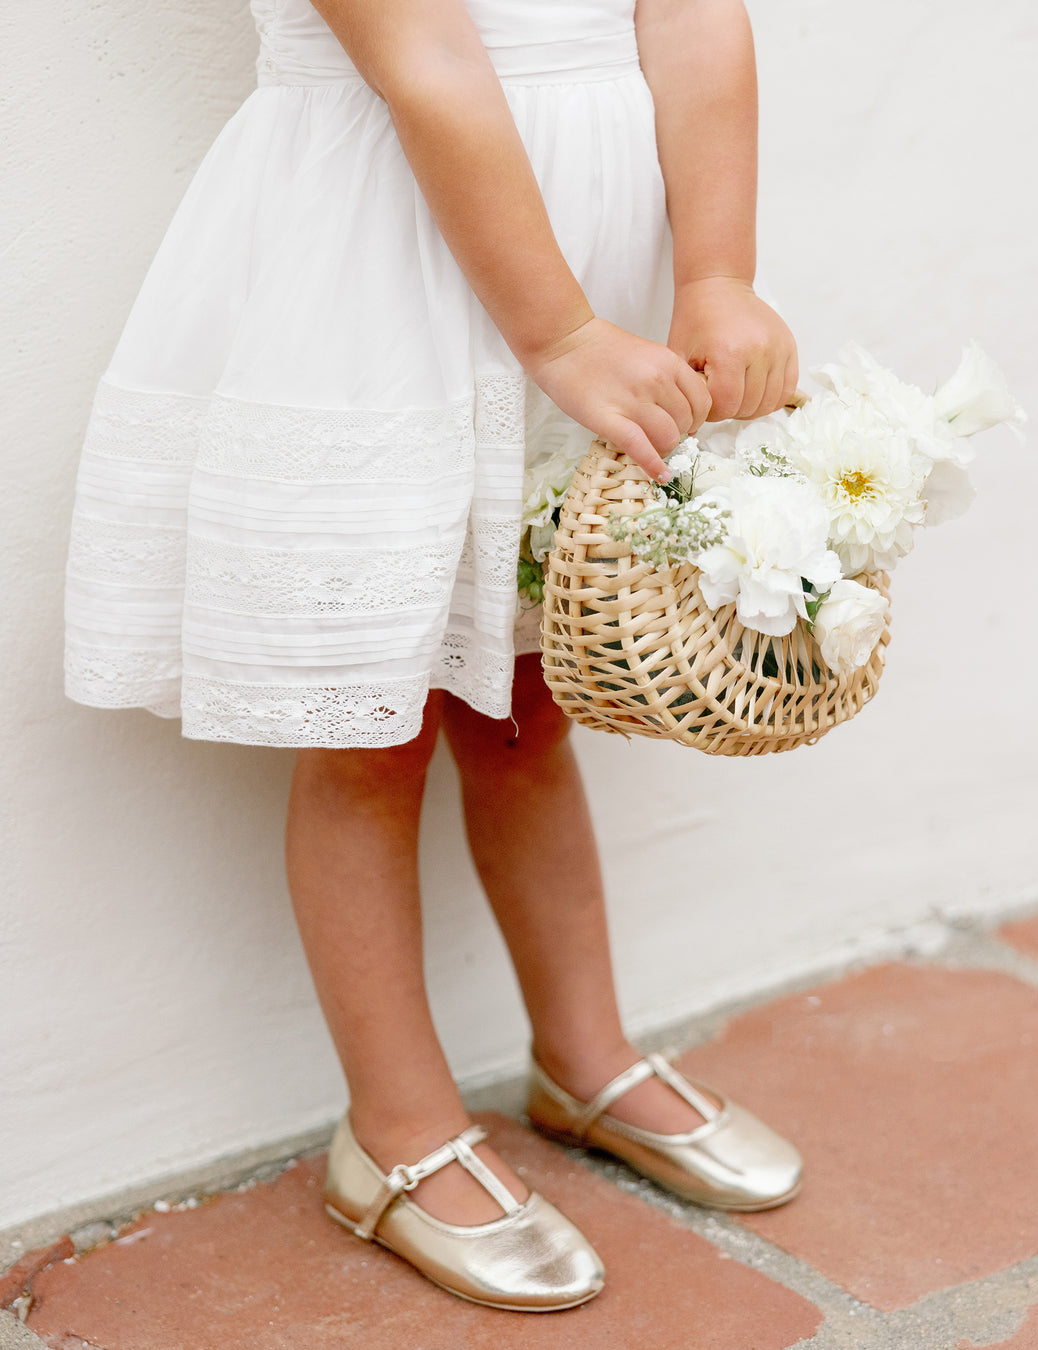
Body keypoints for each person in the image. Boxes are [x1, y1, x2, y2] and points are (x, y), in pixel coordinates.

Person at [63, 0, 803, 1312]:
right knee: (371, 725)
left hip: (591, 273)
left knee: (530, 698)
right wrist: (560, 336)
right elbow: (427, 56)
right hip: (394, 268)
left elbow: (691, 11)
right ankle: (390, 1129)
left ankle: (584, 1054)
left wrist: (716, 270)